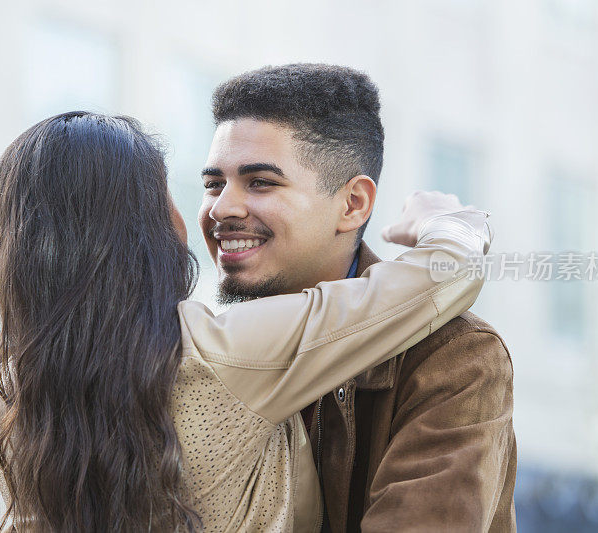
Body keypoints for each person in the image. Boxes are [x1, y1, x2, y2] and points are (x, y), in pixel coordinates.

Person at [0, 111, 492, 532]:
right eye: (176, 191)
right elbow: (449, 273)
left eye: (260, 183)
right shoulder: (222, 356)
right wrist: (446, 219)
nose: (213, 212)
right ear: (139, 233)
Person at [200, 64, 516, 532]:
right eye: (213, 184)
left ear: (353, 205)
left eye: (260, 181)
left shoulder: (453, 354)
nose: (222, 207)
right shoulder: (201, 354)